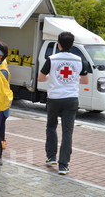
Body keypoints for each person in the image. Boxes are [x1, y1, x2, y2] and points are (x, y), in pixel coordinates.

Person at [37, 31, 89, 175]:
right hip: (71, 99)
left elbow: (40, 78)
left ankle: (51, 156)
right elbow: (85, 81)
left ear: (58, 44)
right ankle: (63, 165)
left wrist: (51, 77)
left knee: (51, 126)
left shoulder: (52, 59)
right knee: (68, 132)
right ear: (72, 45)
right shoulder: (80, 60)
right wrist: (73, 79)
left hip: (54, 98)